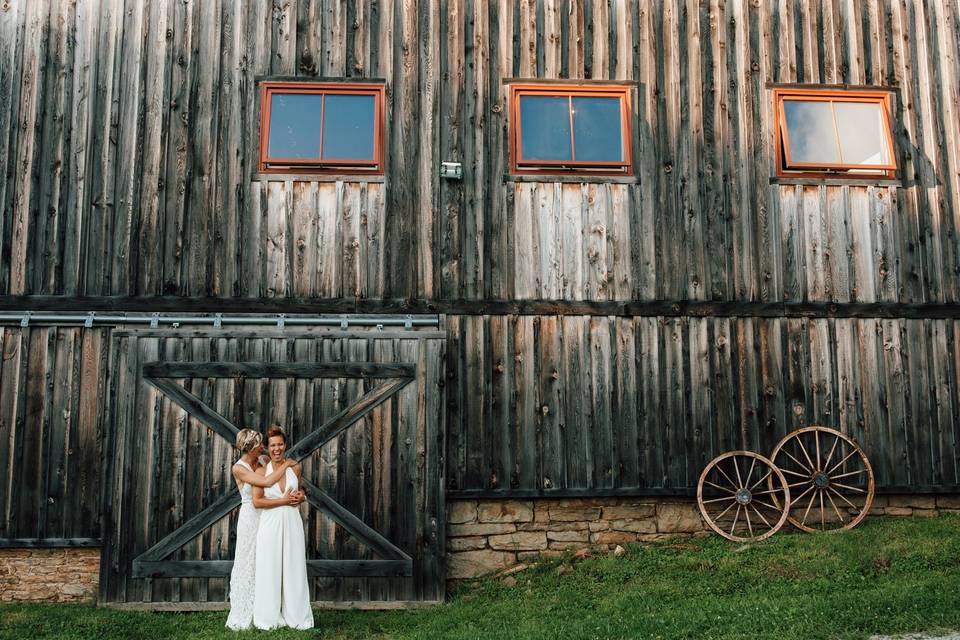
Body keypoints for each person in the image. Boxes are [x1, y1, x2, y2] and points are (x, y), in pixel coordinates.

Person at [225, 429, 298, 631]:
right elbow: (266, 481)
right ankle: (243, 612)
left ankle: (266, 609)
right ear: (250, 447)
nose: (263, 447)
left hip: (268, 516)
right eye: (259, 444)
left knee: (266, 563)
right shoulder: (238, 468)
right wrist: (287, 465)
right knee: (247, 562)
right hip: (250, 517)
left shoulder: (263, 460)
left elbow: (273, 480)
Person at [252, 424, 314, 630]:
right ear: (266, 448)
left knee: (294, 568)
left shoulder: (294, 467)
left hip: (292, 522)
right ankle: (268, 618)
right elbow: (258, 502)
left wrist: (301, 497)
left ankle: (297, 617)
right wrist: (284, 501)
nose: (276, 449)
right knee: (269, 569)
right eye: (272, 445)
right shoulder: (261, 471)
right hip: (270, 525)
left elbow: (300, 489)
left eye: (280, 444)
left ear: (285, 445)